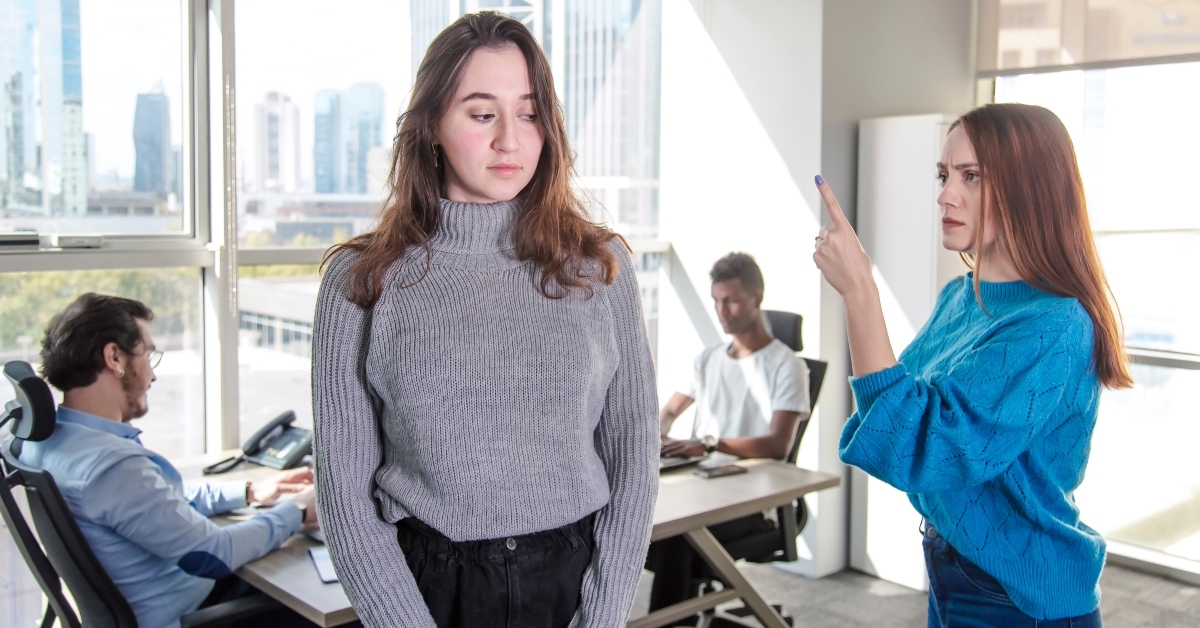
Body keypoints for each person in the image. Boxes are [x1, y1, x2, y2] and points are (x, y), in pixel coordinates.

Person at [312, 11, 658, 628]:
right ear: (431, 127)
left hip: (573, 579)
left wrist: (602, 616)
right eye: (481, 114)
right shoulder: (361, 281)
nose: (511, 139)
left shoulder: (598, 267)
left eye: (529, 113)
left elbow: (633, 458)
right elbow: (343, 497)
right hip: (426, 587)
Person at [814, 103, 1131, 626]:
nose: (945, 194)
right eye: (944, 174)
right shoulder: (960, 298)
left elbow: (922, 444)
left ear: (1031, 188)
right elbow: (895, 410)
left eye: (972, 176)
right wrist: (858, 291)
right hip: (954, 567)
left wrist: (860, 292)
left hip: (1018, 595)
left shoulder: (1053, 325)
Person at [18, 293, 318, 628]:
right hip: (193, 615)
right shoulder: (112, 467)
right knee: (335, 600)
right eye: (148, 355)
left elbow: (154, 503)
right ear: (114, 357)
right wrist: (299, 509)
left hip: (178, 603)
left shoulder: (50, 443)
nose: (153, 375)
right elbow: (214, 554)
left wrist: (249, 491)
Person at [649, 252, 810, 617]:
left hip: (751, 502)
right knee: (636, 525)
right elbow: (671, 411)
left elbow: (778, 445)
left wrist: (707, 443)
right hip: (701, 489)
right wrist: (653, 437)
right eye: (717, 301)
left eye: (732, 300)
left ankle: (673, 620)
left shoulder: (787, 366)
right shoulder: (708, 359)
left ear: (757, 298)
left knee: (676, 541)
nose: (723, 310)